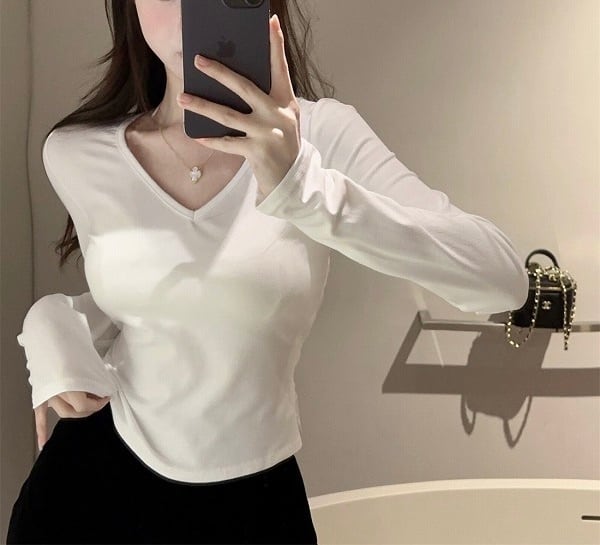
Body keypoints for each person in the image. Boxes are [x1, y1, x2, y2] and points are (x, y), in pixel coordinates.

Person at [8, 0, 529, 543]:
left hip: (253, 504)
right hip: (89, 493)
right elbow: (154, 304)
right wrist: (50, 325)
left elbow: (500, 278)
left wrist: (303, 186)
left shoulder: (322, 135)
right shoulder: (77, 155)